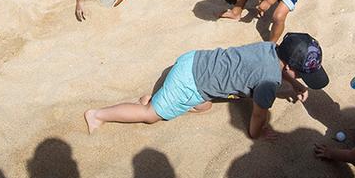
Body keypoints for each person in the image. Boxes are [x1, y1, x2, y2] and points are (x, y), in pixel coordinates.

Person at [84, 33, 330, 137]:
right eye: (301, 75)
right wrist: (259, 133)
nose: (300, 78)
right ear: (289, 67)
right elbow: (257, 116)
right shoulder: (269, 83)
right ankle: (97, 114)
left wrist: (295, 85)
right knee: (151, 116)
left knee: (203, 106)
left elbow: (279, 67)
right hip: (189, 81)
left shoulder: (269, 47)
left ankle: (156, 97)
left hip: (195, 60)